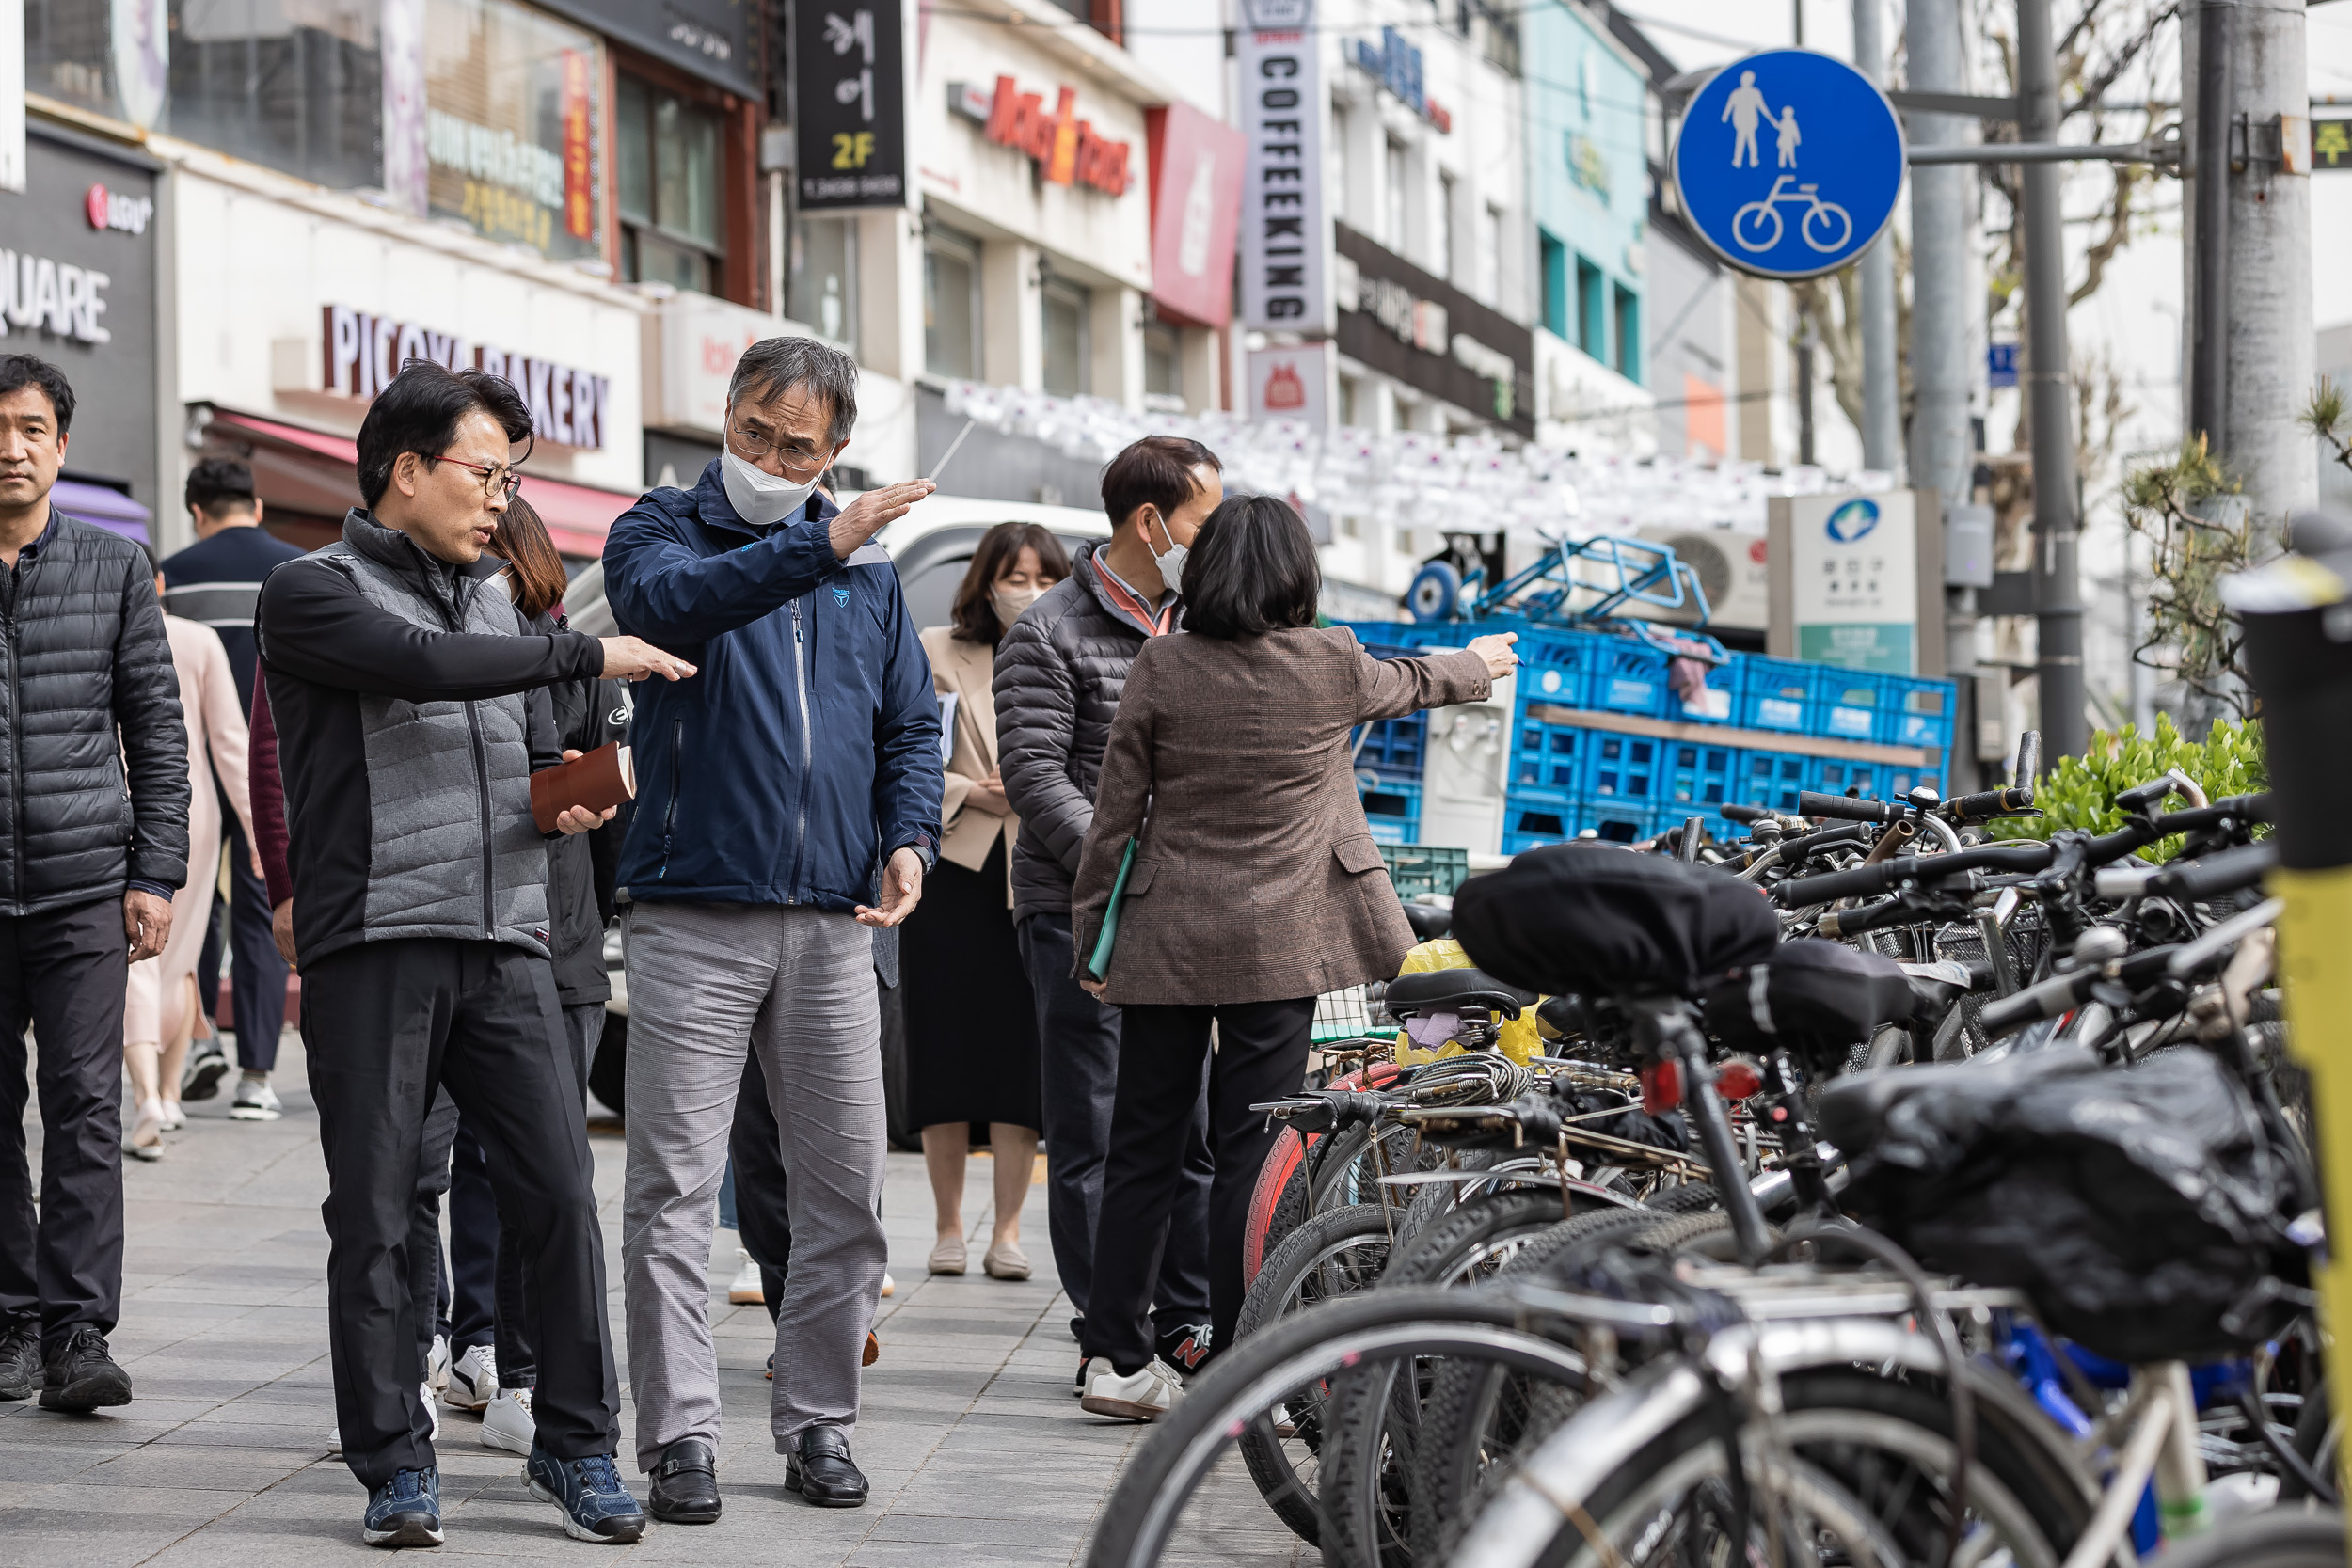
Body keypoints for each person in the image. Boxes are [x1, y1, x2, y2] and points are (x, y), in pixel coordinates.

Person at [256, 360, 692, 1548]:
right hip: (378, 943)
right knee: (383, 1214)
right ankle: (395, 1463)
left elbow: (513, 743)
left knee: (559, 1192)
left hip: (508, 937)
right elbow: (419, 670)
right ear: (407, 469)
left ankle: (577, 1443)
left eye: (512, 474)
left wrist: (568, 798)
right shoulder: (309, 591)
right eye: (483, 470)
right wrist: (588, 651)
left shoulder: (500, 599)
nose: (501, 495)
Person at [1068, 496, 1516, 1421]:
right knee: (1254, 1154)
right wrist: (1478, 666)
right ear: (1296, 577)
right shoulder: (1328, 660)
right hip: (1279, 943)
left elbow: (1114, 818)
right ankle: (1245, 1362)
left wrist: (1090, 942)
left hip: (1163, 941)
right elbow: (1413, 680)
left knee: (1143, 1148)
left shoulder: (1161, 663)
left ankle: (1113, 1357)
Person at [601, 336, 942, 1519]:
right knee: (674, 1187)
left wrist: (909, 837)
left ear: (833, 450)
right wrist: (821, 538)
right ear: (728, 414)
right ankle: (680, 1432)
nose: (771, 456)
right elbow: (675, 611)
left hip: (836, 918)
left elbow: (910, 728)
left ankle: (818, 1421)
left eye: (799, 447)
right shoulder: (659, 530)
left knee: (846, 1190)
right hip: (694, 908)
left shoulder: (871, 575)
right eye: (756, 430)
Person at [994, 436, 1222, 1389]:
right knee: (1093, 1125)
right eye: (1203, 522)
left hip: (1181, 913)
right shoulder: (1046, 629)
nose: (1213, 541)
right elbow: (1035, 776)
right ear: (1150, 521)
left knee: (1192, 1126)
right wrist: (1126, 864)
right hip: (1080, 909)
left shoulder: (1205, 620)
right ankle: (1107, 1332)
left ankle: (1190, 1315)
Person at [0, 354, 187, 1414]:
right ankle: (11, 1316)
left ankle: (76, 1328)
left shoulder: (114, 569)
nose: (11, 447)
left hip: (80, 884)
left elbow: (156, 729)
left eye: (31, 428)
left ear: (61, 446)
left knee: (82, 1105)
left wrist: (156, 868)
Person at [440, 495, 626, 1458]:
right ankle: (459, 1341)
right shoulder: (425, 653)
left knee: (545, 1173)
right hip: (449, 938)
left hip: (561, 952)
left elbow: (606, 812)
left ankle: (515, 1367)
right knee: (439, 1162)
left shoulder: (571, 659)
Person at [907, 523, 1068, 1280]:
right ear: (985, 579)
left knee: (1021, 1058)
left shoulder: (1070, 648)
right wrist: (972, 788)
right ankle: (946, 1227)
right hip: (953, 869)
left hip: (1038, 871)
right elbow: (901, 753)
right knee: (944, 1049)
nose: (1027, 590)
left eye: (1043, 577)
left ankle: (1007, 1231)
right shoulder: (936, 648)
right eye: (1015, 575)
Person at [162, 458, 302, 1119]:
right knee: (262, 905)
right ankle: (256, 1076)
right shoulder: (299, 571)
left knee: (190, 909)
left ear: (196, 510)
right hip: (274, 766)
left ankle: (190, 1045)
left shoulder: (171, 574)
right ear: (258, 506)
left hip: (184, 769)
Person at [123, 549, 259, 1159]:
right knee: (179, 954)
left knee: (136, 955)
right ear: (161, 583)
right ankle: (171, 1093)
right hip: (195, 808)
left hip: (119, 798)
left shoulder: (108, 628)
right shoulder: (198, 639)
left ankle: (150, 1092)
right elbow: (232, 744)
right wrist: (259, 835)